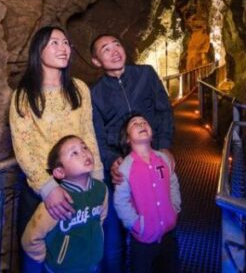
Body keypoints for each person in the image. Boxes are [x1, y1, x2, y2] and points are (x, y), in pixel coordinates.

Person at [10, 26, 104, 272]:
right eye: (54, 43)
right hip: (44, 189)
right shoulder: (24, 96)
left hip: (82, 184)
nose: (63, 48)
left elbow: (88, 134)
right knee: (37, 258)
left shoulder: (79, 89)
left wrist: (97, 178)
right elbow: (23, 145)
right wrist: (48, 188)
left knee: (82, 250)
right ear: (37, 50)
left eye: (65, 43)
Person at [89, 34, 175, 273]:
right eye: (105, 49)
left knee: (162, 222)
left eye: (117, 45)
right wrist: (110, 161)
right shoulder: (95, 93)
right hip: (121, 169)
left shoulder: (145, 74)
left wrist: (165, 145)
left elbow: (164, 110)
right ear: (96, 61)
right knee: (116, 236)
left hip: (152, 159)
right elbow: (96, 133)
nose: (114, 51)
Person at [22, 135, 108, 272]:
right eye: (74, 153)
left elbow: (101, 218)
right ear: (60, 172)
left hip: (92, 266)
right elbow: (31, 239)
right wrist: (48, 258)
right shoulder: (57, 202)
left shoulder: (101, 190)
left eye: (84, 147)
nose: (84, 153)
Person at [113, 114, 180, 273]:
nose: (141, 124)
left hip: (169, 234)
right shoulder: (125, 168)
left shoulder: (163, 158)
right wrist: (136, 225)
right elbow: (120, 201)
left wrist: (175, 208)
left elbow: (173, 183)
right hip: (142, 240)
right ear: (127, 139)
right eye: (134, 124)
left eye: (144, 122)